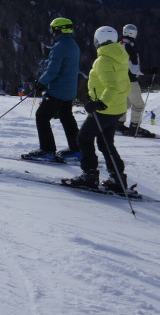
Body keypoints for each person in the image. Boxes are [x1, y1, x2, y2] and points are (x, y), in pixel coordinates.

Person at [68, 26, 131, 193]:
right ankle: (118, 179)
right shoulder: (121, 56)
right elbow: (122, 84)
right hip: (118, 107)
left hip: (105, 109)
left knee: (83, 138)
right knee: (105, 143)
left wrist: (100, 103)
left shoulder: (103, 60)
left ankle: (89, 176)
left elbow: (112, 86)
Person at [23, 17, 81, 162]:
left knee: (42, 116)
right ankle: (77, 149)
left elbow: (52, 71)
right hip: (69, 90)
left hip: (57, 90)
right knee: (67, 118)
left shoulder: (59, 47)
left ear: (58, 30)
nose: (52, 32)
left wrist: (40, 82)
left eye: (53, 29)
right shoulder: (73, 44)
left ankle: (47, 150)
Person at [116, 24, 155, 138]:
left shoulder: (118, 45)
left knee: (125, 103)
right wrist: (149, 71)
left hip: (119, 80)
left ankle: (118, 124)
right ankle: (134, 128)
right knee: (138, 105)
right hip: (130, 81)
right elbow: (133, 68)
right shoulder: (129, 48)